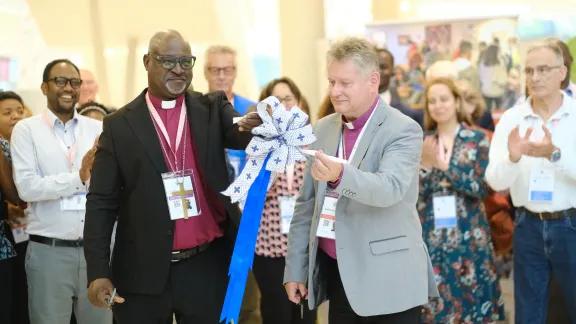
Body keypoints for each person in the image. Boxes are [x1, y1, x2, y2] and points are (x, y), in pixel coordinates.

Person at [83, 30, 262, 324]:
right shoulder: (119, 126)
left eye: (185, 61)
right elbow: (101, 202)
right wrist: (98, 271)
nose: (178, 69)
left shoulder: (212, 107)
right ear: (147, 62)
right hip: (142, 271)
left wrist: (257, 121)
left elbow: (239, 131)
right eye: (167, 61)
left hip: (206, 266)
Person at [283, 37, 438, 324]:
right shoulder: (324, 127)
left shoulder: (403, 129)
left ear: (373, 81)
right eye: (331, 82)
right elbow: (307, 205)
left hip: (390, 279)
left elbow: (389, 188)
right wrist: (296, 268)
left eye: (345, 83)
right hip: (340, 276)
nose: (335, 91)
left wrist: (340, 176)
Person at [10, 59, 108, 324]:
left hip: (96, 254)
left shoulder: (98, 129)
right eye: (60, 81)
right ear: (44, 87)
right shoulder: (26, 130)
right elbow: (28, 187)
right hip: (49, 253)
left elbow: (110, 190)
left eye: (75, 82)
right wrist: (77, 178)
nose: (69, 88)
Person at [485, 41, 576, 324]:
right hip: (527, 226)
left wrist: (555, 155)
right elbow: (494, 179)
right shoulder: (512, 119)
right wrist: (512, 159)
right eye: (528, 70)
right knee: (529, 313)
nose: (534, 77)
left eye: (543, 69)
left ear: (562, 72)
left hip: (570, 225)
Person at [418, 78, 505, 323]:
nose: (438, 106)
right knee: (437, 304)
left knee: (473, 300)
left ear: (457, 102)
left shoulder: (476, 138)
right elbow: (415, 194)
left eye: (444, 99)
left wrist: (445, 168)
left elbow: (480, 187)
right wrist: (425, 167)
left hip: (470, 233)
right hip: (433, 234)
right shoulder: (424, 141)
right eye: (432, 101)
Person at [251, 77, 316, 324]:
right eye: (275, 101)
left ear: (298, 103)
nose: (283, 105)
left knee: (305, 315)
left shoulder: (314, 143)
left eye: (288, 99)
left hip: (305, 246)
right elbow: (252, 194)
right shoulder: (258, 145)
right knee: (276, 313)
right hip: (270, 247)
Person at [0, 91, 29, 324]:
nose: (15, 117)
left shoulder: (23, 145)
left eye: (19, 111)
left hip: (15, 242)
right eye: (7, 113)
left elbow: (17, 197)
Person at [376, 48, 423, 127]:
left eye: (383, 67)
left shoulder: (416, 74)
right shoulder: (356, 103)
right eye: (373, 67)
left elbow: (419, 88)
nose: (377, 72)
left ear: (392, 71)